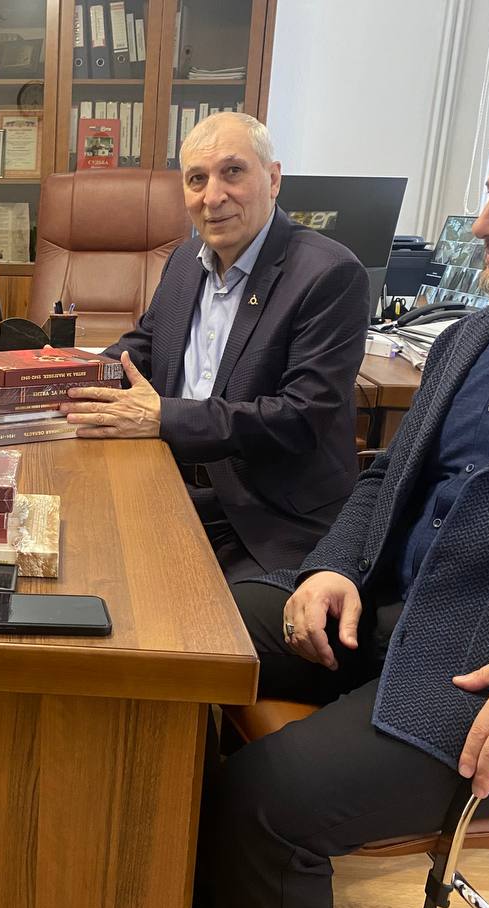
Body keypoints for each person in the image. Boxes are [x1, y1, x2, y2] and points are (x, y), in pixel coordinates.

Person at [200, 99, 489, 908]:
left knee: (273, 795)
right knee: (192, 633)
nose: (484, 223)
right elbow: (385, 477)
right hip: (399, 615)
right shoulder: (473, 336)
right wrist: (333, 567)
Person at [60, 112, 370, 581]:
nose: (213, 197)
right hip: (168, 481)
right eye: (197, 179)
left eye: (233, 172)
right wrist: (56, 378)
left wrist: (163, 416)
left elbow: (299, 418)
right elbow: (145, 345)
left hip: (265, 519)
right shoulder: (186, 260)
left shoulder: (329, 274)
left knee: (177, 613)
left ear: (273, 179)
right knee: (74, 562)